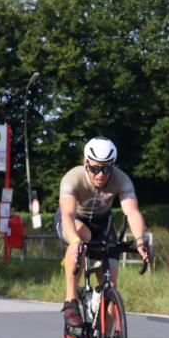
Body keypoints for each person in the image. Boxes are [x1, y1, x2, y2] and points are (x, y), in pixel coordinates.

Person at [57, 137, 150, 327]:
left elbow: (132, 212)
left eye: (107, 169)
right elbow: (67, 214)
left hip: (102, 224)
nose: (101, 174)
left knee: (111, 285)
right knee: (82, 239)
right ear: (86, 163)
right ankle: (70, 300)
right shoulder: (72, 178)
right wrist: (74, 241)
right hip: (73, 220)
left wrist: (140, 240)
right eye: (95, 169)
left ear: (113, 166)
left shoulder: (121, 180)